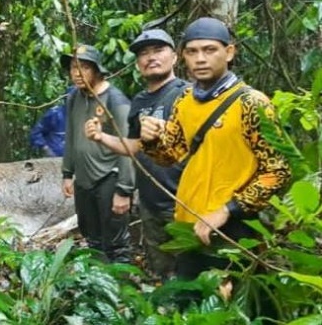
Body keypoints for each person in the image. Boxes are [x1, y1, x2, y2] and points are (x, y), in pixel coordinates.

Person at [139, 17, 291, 279]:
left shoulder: (252, 103)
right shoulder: (185, 100)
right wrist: (151, 139)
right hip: (190, 224)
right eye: (192, 51)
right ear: (183, 56)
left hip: (234, 228)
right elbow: (169, 156)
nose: (200, 59)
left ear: (229, 52)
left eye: (209, 50)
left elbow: (278, 171)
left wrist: (227, 210)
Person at [85, 29, 188, 279]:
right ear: (138, 63)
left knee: (192, 274)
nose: (150, 57)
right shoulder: (140, 101)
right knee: (163, 272)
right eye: (144, 53)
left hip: (184, 202)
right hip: (151, 203)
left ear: (175, 57)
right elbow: (134, 147)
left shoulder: (187, 94)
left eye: (158, 50)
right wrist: (102, 137)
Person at [60, 44, 134, 263]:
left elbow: (128, 147)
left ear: (97, 70)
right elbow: (72, 135)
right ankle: (97, 286)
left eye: (83, 67)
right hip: (83, 180)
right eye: (73, 67)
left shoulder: (115, 100)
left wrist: (124, 189)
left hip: (108, 177)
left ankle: (121, 290)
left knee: (116, 243)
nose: (76, 73)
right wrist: (67, 172)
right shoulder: (74, 98)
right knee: (91, 239)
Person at [29, 87, 74, 157]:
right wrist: (46, 149)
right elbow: (36, 133)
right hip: (54, 158)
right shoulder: (54, 114)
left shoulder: (84, 115)